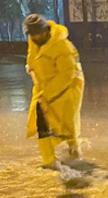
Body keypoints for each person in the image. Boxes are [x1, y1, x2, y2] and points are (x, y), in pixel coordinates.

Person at [23, 14, 84, 169]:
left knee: (66, 123)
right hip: (42, 89)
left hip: (67, 88)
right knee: (41, 122)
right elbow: (32, 56)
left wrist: (48, 94)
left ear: (45, 31)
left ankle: (74, 149)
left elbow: (67, 74)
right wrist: (30, 65)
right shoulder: (34, 40)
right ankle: (49, 160)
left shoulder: (63, 47)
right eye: (32, 34)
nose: (35, 37)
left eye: (37, 33)